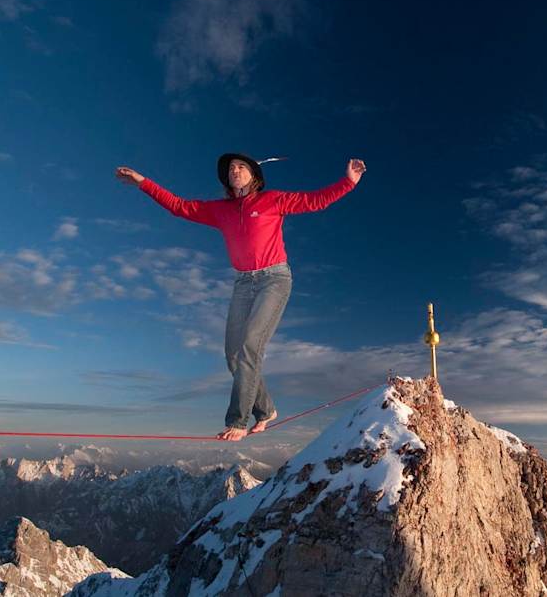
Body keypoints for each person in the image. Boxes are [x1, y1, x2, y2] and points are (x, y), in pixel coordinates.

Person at [116, 154, 366, 441]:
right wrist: (142, 182)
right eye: (231, 169)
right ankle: (266, 410)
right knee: (232, 355)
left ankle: (238, 420)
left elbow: (315, 200)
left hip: (274, 279)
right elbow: (179, 207)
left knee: (250, 346)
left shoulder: (273, 200)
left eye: (241, 167)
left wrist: (348, 182)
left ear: (254, 175)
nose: (235, 170)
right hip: (243, 284)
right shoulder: (220, 210)